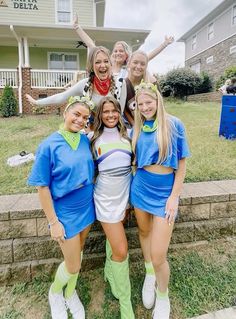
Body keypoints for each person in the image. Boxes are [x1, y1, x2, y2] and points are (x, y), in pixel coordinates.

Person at [28, 96, 96, 319]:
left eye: (85, 118)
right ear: (65, 112)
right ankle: (55, 292)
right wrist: (53, 222)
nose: (80, 120)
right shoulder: (48, 145)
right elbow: (42, 187)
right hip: (65, 212)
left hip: (86, 206)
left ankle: (70, 292)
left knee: (80, 251)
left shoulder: (85, 140)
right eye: (76, 114)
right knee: (74, 264)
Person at [130, 82, 190, 319]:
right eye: (141, 104)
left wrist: (174, 197)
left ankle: (163, 297)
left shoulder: (173, 124)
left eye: (149, 102)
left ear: (158, 101)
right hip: (141, 187)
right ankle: (149, 274)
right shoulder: (137, 127)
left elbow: (182, 164)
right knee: (144, 233)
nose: (145, 107)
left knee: (159, 254)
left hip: (165, 192)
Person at [90, 96, 134, 318]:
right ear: (100, 114)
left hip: (124, 196)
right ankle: (126, 304)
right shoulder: (92, 139)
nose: (110, 115)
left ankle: (109, 270)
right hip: (105, 200)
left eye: (114, 111)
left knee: (114, 241)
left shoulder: (129, 136)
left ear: (119, 112)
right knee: (122, 250)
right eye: (105, 111)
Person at [73, 13, 174, 80]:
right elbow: (91, 45)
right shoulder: (107, 67)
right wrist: (77, 27)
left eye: (121, 51)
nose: (118, 53)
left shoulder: (128, 69)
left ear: (126, 55)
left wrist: (164, 44)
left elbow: (148, 57)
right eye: (116, 51)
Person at [25, 46, 118, 116]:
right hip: (93, 129)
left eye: (106, 61)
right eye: (98, 62)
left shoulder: (119, 84)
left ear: (110, 64)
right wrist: (37, 102)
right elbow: (61, 97)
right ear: (92, 67)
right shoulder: (85, 84)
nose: (103, 65)